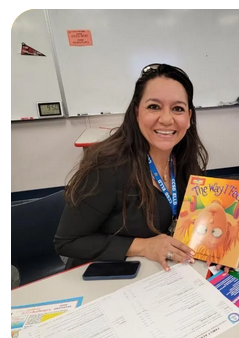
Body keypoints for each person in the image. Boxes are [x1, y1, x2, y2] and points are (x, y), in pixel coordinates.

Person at [54, 63, 209, 271]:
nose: (166, 119)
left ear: (189, 118)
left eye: (178, 109)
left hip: (159, 273)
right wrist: (144, 246)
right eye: (154, 106)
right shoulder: (107, 166)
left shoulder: (185, 161)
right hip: (107, 277)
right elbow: (67, 241)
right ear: (137, 113)